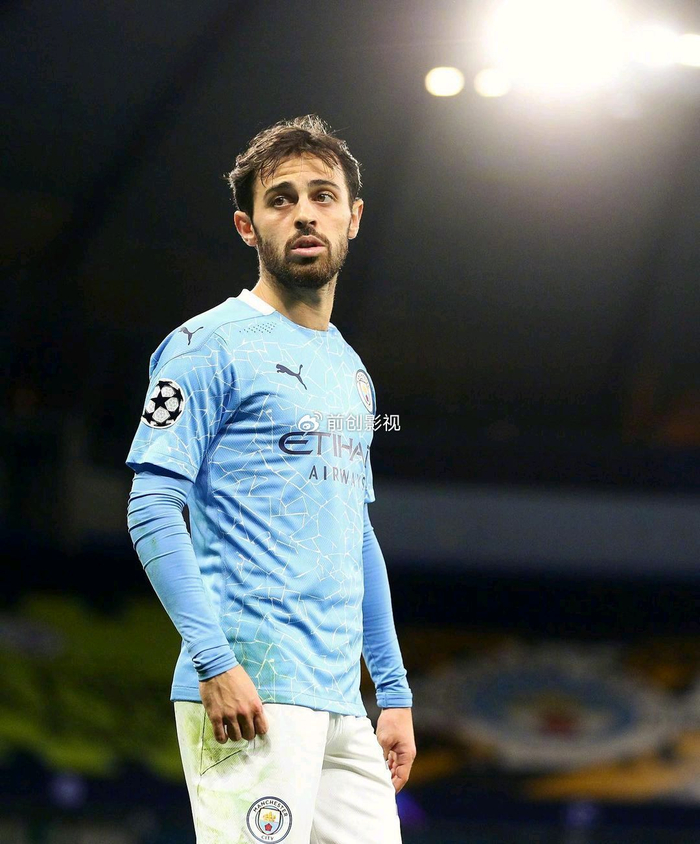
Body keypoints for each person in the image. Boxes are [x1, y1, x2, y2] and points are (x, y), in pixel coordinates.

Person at [126, 114, 415, 844]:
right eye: (280, 199)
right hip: (249, 689)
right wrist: (213, 661)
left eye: (322, 195)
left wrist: (393, 692)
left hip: (341, 704)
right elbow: (152, 507)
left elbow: (357, 535)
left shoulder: (351, 371)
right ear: (248, 227)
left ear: (353, 218)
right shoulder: (204, 346)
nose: (304, 213)